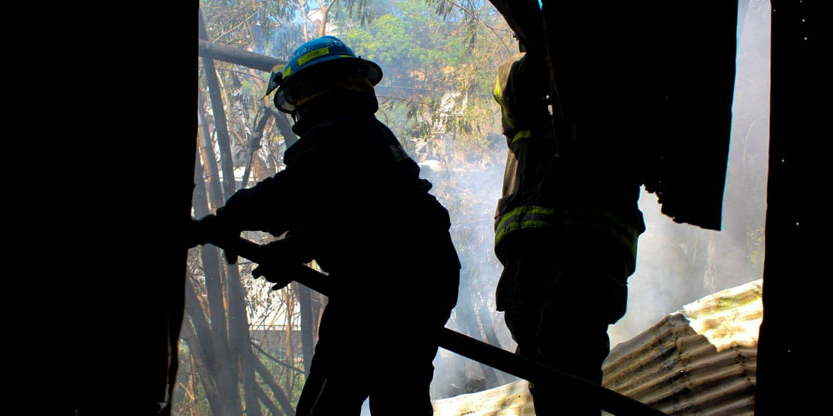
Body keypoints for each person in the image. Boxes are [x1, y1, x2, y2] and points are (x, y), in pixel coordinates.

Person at [201, 36, 461, 416]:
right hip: (425, 277)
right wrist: (296, 248)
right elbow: (360, 215)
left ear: (312, 89)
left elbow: (294, 193)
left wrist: (228, 218)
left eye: (298, 95)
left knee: (330, 401)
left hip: (379, 289)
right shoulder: (368, 133)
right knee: (400, 396)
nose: (297, 112)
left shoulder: (337, 133)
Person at [491, 50, 646, 415]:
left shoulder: (627, 63)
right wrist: (545, 49)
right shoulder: (521, 68)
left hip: (590, 245)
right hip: (532, 244)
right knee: (537, 355)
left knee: (572, 354)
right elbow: (513, 96)